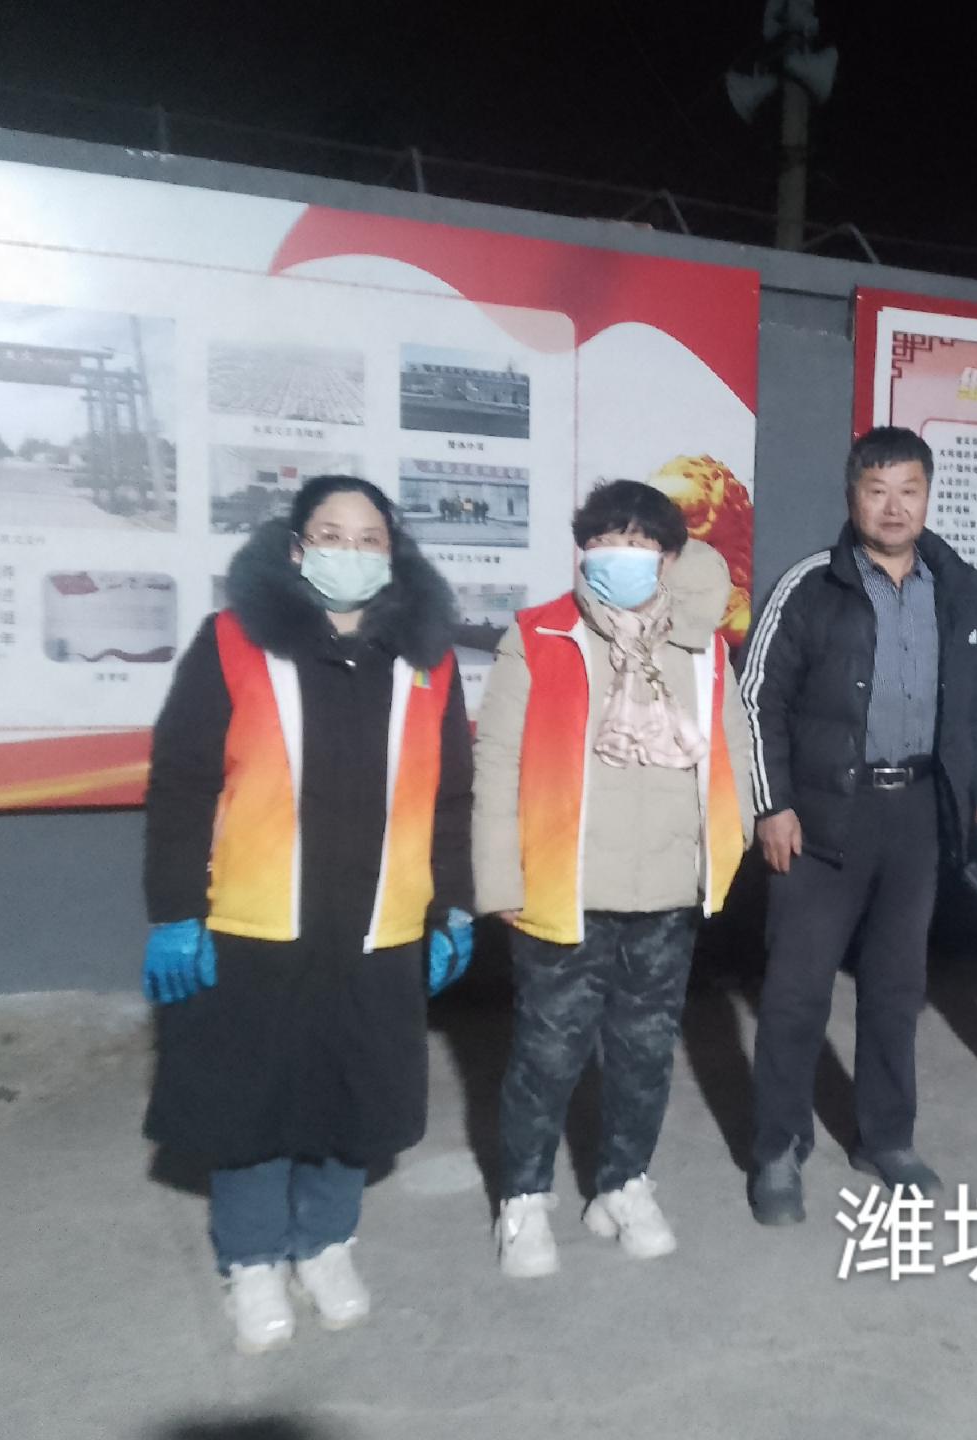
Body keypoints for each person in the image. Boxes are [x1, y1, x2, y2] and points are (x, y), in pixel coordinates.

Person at [141, 475, 473, 1354]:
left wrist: (452, 905)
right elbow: (182, 781)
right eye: (331, 535)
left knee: (351, 1093)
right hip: (259, 922)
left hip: (379, 922)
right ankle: (251, 1259)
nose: (349, 553)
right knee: (254, 1097)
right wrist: (175, 909)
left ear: (392, 554)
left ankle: (326, 1244)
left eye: (369, 539)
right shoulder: (233, 642)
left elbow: (450, 796)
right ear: (296, 549)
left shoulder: (428, 660)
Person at [473, 480, 752, 1275]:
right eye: (604, 540)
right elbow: (497, 762)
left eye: (638, 541)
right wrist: (500, 878)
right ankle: (524, 1199)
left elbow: (735, 751)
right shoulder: (540, 637)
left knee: (645, 1052)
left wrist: (721, 859)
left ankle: (623, 1184)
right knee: (547, 1053)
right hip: (563, 888)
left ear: (669, 557)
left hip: (666, 893)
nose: (619, 555)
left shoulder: (703, 650)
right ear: (582, 551)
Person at [741, 425, 977, 1224]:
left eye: (909, 491)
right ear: (852, 495)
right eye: (877, 490)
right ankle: (778, 1148)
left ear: (927, 497)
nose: (894, 507)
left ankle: (886, 1137)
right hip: (824, 816)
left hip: (917, 814)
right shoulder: (808, 586)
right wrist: (772, 804)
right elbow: (757, 698)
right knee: (796, 992)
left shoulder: (954, 587)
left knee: (897, 989)